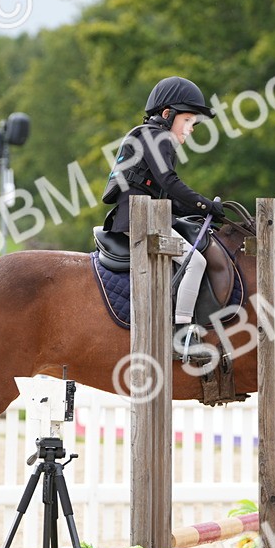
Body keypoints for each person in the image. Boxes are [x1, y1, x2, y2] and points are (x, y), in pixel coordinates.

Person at [102, 76, 225, 361]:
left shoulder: (149, 136)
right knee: (196, 262)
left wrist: (198, 211)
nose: (191, 129)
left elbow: (165, 198)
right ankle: (180, 334)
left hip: (141, 216)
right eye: (188, 120)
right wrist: (205, 205)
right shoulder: (158, 137)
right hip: (139, 220)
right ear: (168, 114)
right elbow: (170, 183)